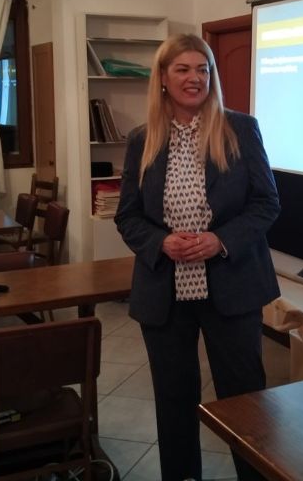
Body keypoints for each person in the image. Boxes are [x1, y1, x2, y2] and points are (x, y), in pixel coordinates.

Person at [114, 34, 281, 481]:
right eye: (183, 69)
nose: (195, 78)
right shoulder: (142, 139)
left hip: (233, 284)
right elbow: (128, 215)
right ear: (163, 78)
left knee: (245, 400)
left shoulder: (240, 129)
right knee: (173, 400)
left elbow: (266, 203)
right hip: (164, 292)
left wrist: (219, 240)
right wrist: (160, 243)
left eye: (202, 69)